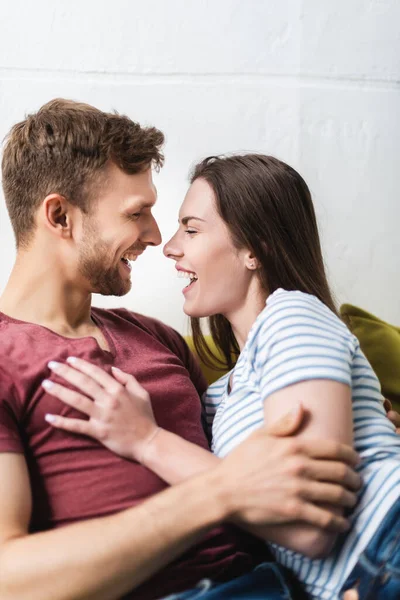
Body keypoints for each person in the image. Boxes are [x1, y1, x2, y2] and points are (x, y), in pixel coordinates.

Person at [0, 99, 369, 600]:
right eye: (137, 213)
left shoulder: (153, 337)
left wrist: (352, 417)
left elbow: (259, 437)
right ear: (60, 215)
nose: (156, 237)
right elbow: (9, 578)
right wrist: (216, 495)